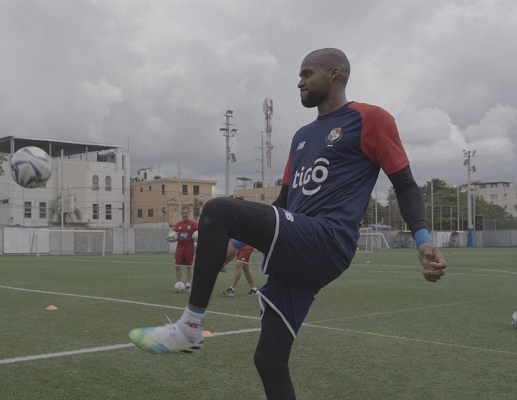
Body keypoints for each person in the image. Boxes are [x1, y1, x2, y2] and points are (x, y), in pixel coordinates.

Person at [129, 48, 447, 399]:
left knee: (217, 209)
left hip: (327, 238)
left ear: (334, 74)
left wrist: (422, 238)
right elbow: (283, 205)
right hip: (298, 244)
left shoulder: (370, 118)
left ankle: (190, 327)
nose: (299, 82)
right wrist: (231, 247)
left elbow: (405, 184)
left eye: (307, 73)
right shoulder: (301, 137)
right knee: (269, 360)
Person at [166, 206, 198, 291]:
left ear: (189, 213)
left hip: (189, 249)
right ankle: (179, 284)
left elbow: (200, 232)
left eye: (186, 213)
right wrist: (168, 238)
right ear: (181, 214)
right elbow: (172, 235)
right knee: (177, 267)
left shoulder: (194, 223)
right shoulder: (178, 224)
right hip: (179, 249)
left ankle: (188, 284)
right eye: (183, 213)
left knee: (189, 267)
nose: (184, 215)